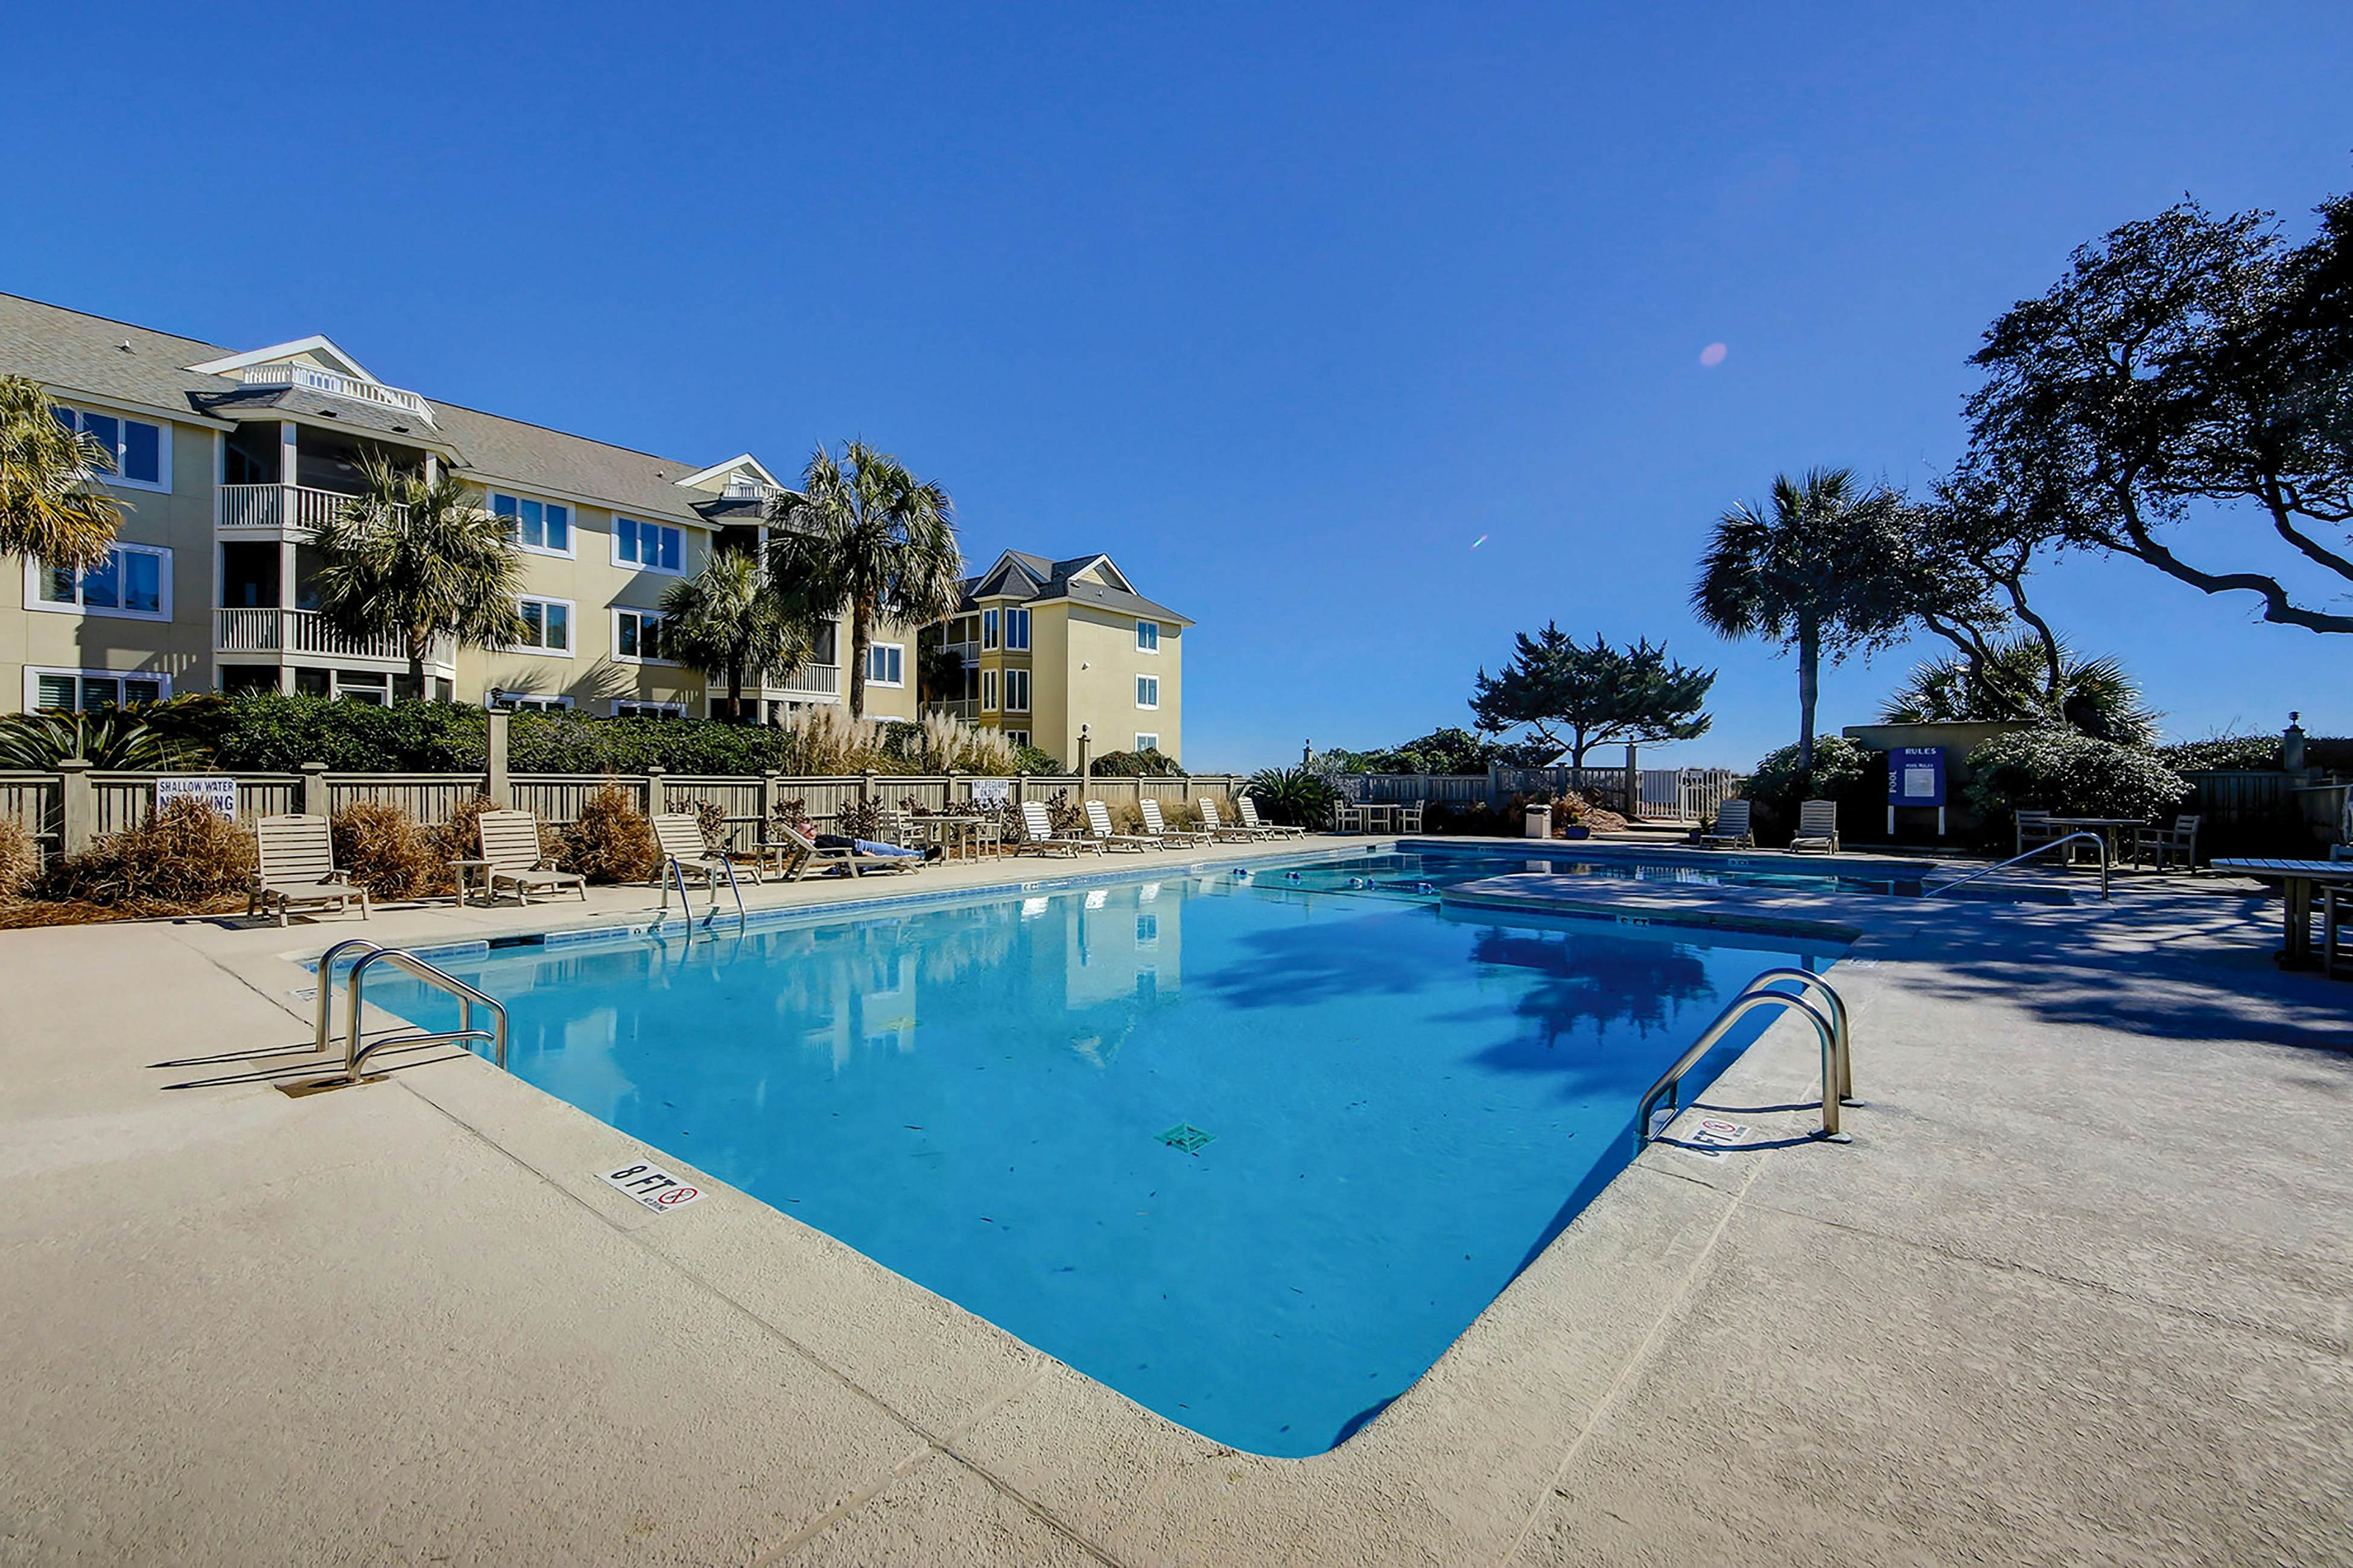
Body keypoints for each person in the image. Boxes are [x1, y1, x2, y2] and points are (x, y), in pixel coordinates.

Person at [787, 808, 942, 864]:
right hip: (859, 848)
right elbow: (839, 850)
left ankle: (920, 854)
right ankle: (922, 855)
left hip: (858, 843)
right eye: (811, 830)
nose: (814, 829)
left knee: (891, 850)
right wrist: (861, 854)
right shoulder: (820, 843)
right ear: (806, 836)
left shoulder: (818, 840)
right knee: (891, 850)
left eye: (813, 827)